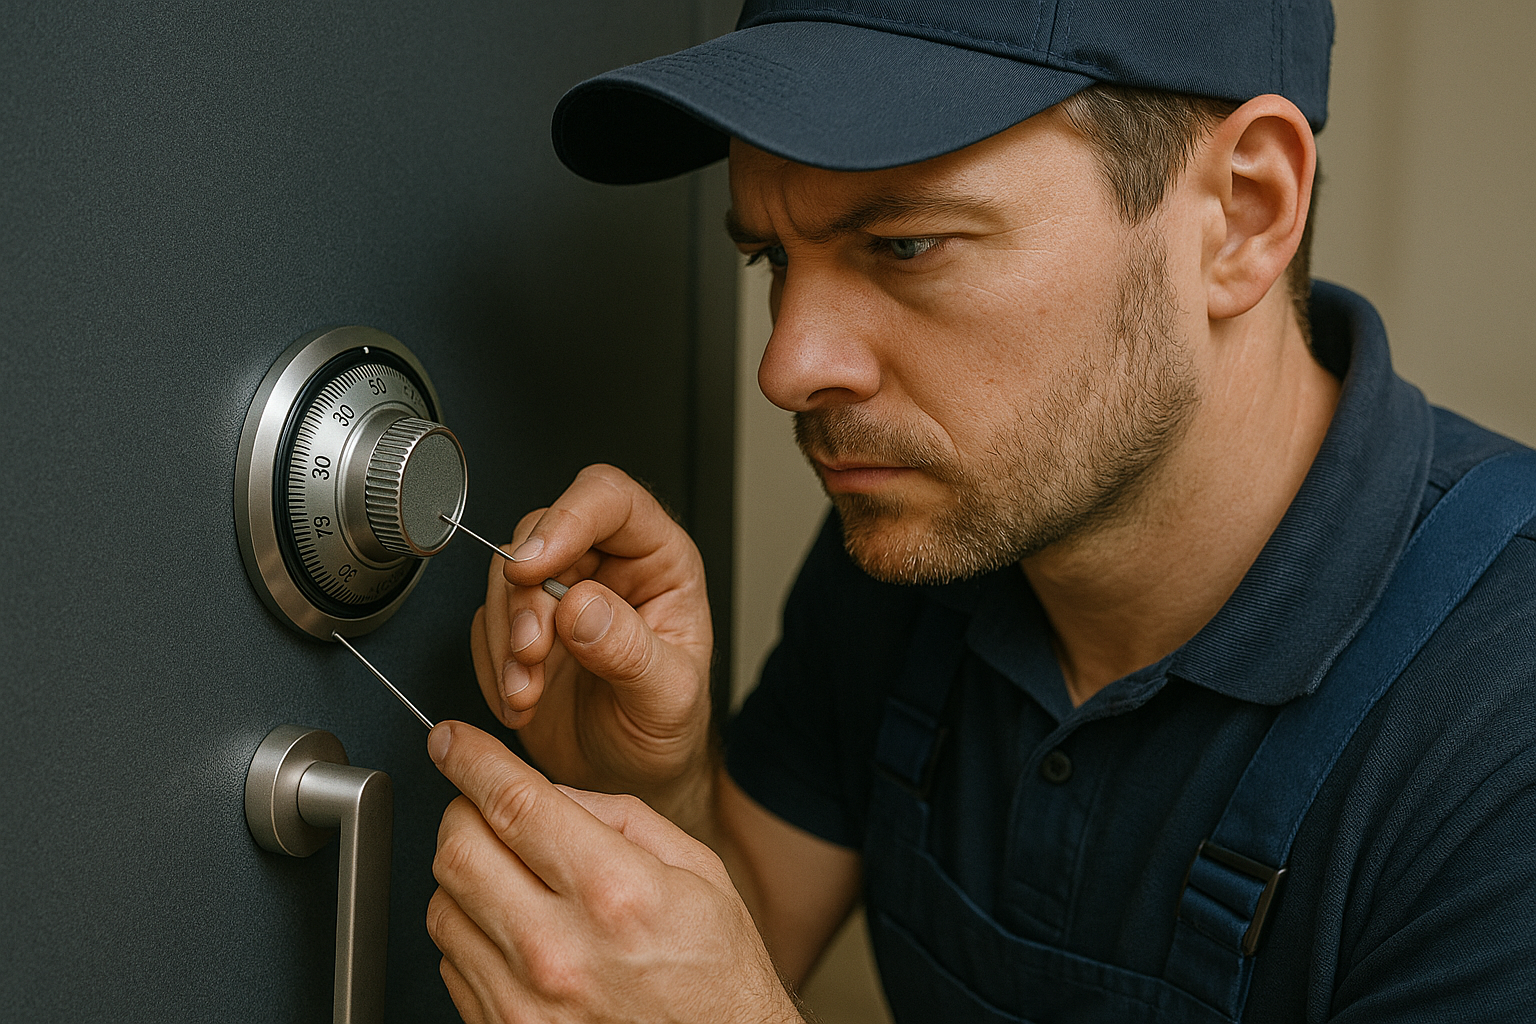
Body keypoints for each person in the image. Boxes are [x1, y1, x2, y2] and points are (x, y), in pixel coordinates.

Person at [422, 2, 1536, 1021]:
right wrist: (651, 788)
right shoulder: (934, 524)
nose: (790, 364)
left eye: (904, 244)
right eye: (772, 256)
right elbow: (751, 928)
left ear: (1243, 214)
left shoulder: (1499, 734)